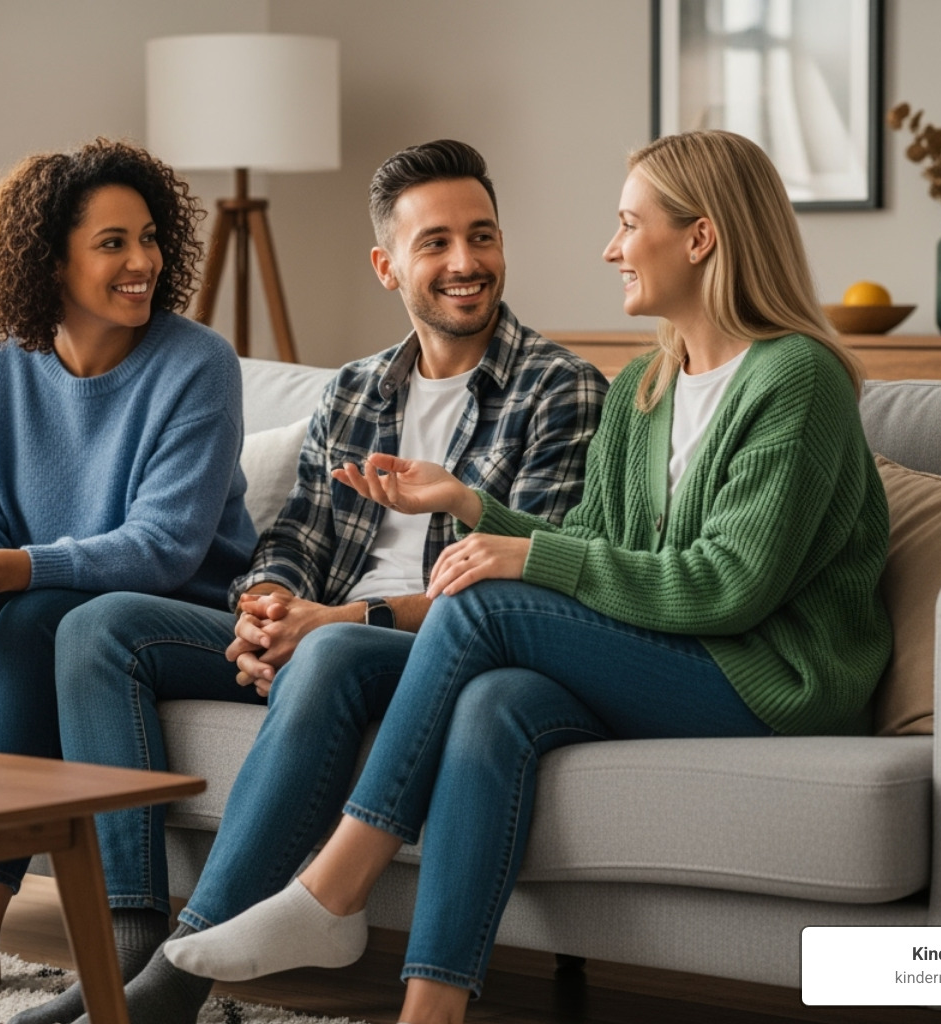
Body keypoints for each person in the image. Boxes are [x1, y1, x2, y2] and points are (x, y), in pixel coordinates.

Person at [161, 130, 894, 1024]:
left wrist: (517, 555)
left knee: (483, 608)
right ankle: (430, 1011)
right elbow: (588, 539)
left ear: (700, 238)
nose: (611, 248)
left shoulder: (796, 379)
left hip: (770, 678)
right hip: (671, 656)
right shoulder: (648, 389)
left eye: (630, 225)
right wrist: (474, 510)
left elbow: (728, 585)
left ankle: (335, 887)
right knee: (494, 701)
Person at [8, 140, 608, 1024]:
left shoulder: (560, 391)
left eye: (481, 237)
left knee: (325, 655)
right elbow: (293, 535)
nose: (465, 263)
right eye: (435, 242)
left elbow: (515, 591)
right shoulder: (355, 391)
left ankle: (176, 983)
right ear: (386, 265)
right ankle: (126, 948)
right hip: (324, 625)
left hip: (427, 649)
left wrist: (330, 620)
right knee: (96, 630)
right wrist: (266, 608)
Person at [0, 139, 256, 1012]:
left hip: (172, 613)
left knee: (34, 623)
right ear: (49, 258)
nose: (142, 261)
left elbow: (168, 545)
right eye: (112, 243)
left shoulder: (197, 363)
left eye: (148, 238)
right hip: (41, 591)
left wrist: (13, 570)